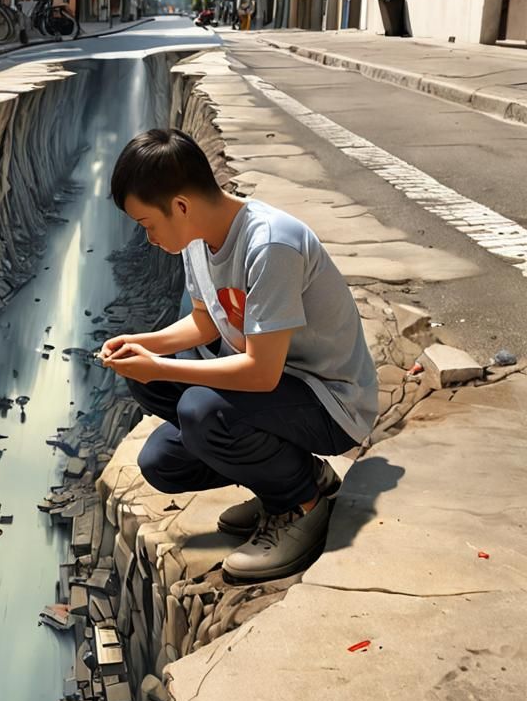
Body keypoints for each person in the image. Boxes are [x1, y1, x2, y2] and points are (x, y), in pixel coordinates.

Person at [100, 128, 377, 582]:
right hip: (280, 396)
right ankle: (294, 478)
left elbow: (261, 372)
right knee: (162, 461)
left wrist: (160, 364)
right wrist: (143, 346)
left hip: (330, 402)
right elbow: (205, 322)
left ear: (181, 206)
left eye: (148, 224)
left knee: (201, 408)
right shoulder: (196, 240)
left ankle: (301, 506)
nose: (147, 238)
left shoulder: (270, 244)